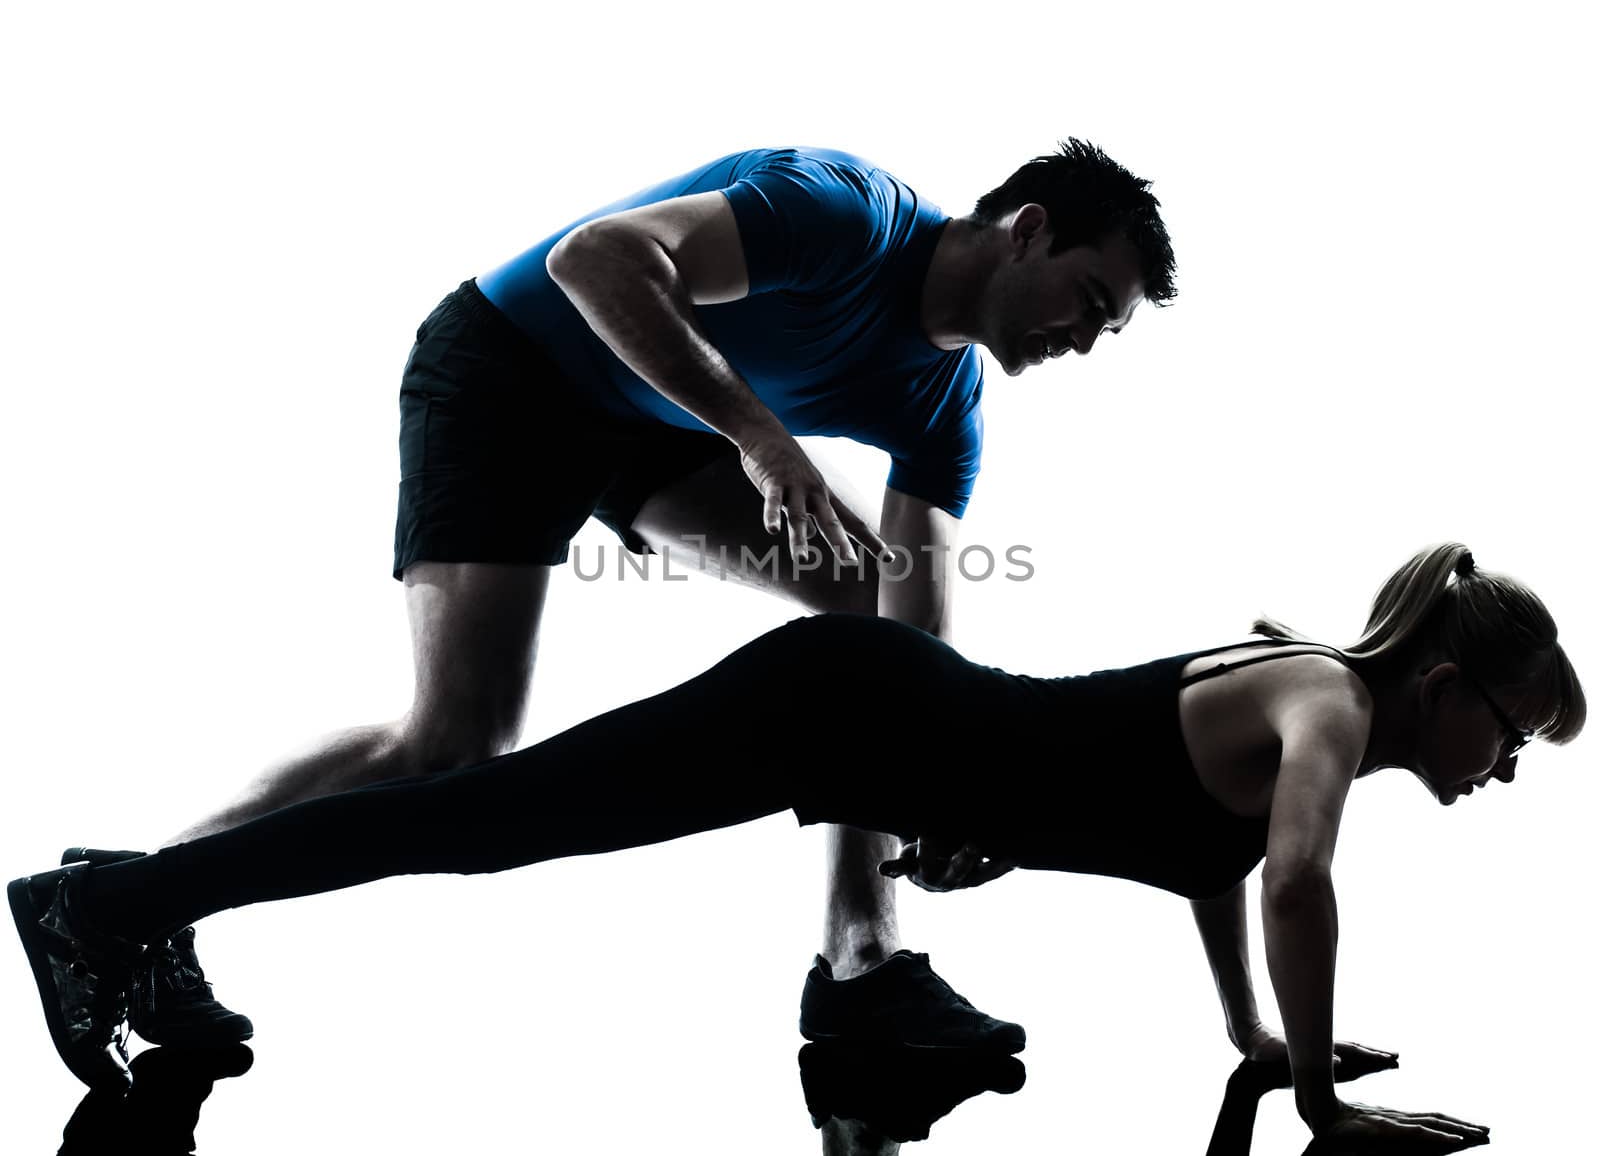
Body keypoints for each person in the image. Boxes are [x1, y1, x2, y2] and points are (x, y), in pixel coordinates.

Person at [76, 140, 1178, 1051]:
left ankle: (861, 959)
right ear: (1027, 228)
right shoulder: (847, 214)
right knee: (456, 740)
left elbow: (919, 647)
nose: (1083, 339)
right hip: (510, 371)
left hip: (647, 426)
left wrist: (957, 790)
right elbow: (596, 260)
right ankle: (132, 897)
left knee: (867, 623)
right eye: (1088, 298)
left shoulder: (945, 401)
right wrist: (758, 437)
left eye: (1107, 330)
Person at [12, 542, 1583, 1147]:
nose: (1504, 773)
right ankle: (107, 905)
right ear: (1444, 686)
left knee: (479, 828)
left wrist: (1253, 1037)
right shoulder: (1322, 694)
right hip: (845, 705)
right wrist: (1315, 1105)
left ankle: (135, 898)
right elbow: (1296, 876)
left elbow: (1219, 871)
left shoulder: (1313, 733)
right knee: (476, 821)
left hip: (872, 725)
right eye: (1512, 738)